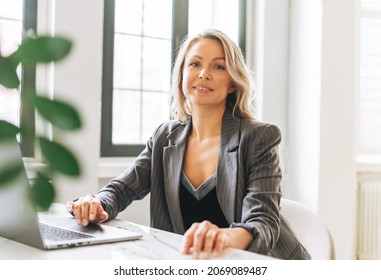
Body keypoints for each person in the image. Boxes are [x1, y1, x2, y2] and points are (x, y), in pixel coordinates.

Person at [66, 29, 311, 260]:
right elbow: (122, 190)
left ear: (233, 82)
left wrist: (222, 236)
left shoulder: (260, 137)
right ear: (182, 74)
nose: (204, 73)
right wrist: (97, 203)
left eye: (218, 66)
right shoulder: (164, 137)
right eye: (195, 64)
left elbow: (263, 223)